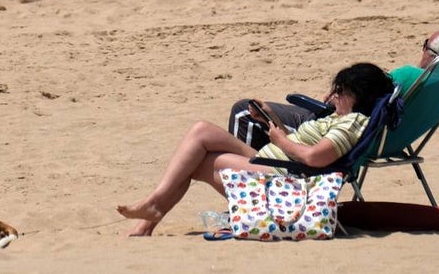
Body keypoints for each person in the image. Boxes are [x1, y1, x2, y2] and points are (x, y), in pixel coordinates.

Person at [117, 63, 394, 237]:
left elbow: (314, 158)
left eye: (340, 91)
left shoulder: (352, 122)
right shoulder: (339, 118)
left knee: (198, 161)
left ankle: (151, 217)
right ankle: (151, 213)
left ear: (358, 96)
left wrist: (280, 141)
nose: (332, 97)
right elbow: (305, 146)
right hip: (279, 163)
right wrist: (272, 120)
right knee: (201, 130)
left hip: (288, 179)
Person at [228, 27, 439, 149]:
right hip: (393, 142)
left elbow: (358, 98)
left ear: (433, 55)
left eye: (425, 45)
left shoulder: (410, 75)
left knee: (244, 111)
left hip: (341, 131)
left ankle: (248, 191)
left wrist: (333, 99)